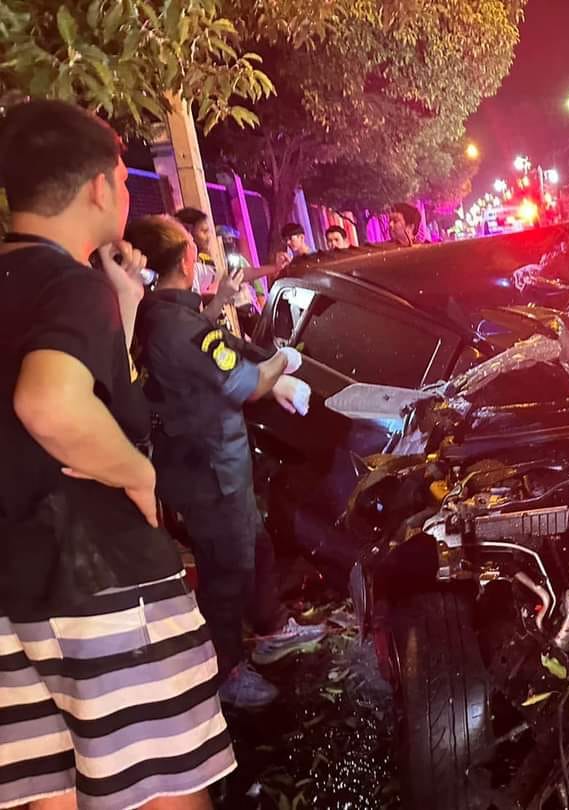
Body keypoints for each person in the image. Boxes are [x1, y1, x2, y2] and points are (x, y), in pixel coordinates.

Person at [0, 99, 233, 810]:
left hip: (14, 588)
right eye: (126, 181)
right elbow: (49, 402)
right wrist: (138, 472)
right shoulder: (68, 284)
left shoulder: (42, 284)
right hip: (101, 585)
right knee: (166, 787)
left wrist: (123, 304)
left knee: (54, 790)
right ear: (100, 187)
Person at [127, 214, 326, 709]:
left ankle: (272, 628)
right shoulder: (175, 326)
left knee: (254, 547)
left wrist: (218, 306)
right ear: (187, 259)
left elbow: (209, 349)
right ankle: (224, 669)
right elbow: (245, 383)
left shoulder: (159, 313)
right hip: (209, 472)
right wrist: (283, 363)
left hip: (210, 465)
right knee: (226, 572)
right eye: (195, 246)